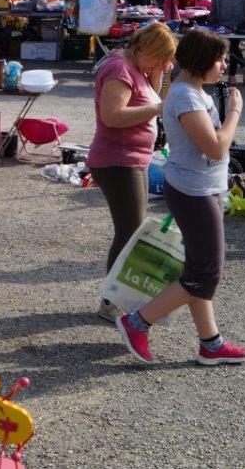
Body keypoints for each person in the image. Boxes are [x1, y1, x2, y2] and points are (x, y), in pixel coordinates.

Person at [116, 29, 245, 366]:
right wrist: (235, 111)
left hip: (200, 187)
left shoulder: (194, 92)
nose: (224, 66)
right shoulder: (186, 97)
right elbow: (217, 147)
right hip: (194, 191)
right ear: (202, 61)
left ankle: (211, 343)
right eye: (220, 60)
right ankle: (136, 322)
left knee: (199, 271)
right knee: (205, 274)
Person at [87, 23, 177, 321]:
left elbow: (151, 94)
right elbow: (112, 116)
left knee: (132, 230)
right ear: (145, 49)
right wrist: (158, 108)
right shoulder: (120, 69)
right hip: (117, 160)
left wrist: (156, 73)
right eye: (160, 58)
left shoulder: (136, 66)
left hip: (132, 158)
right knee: (129, 232)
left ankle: (117, 299)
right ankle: (110, 303)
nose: (163, 65)